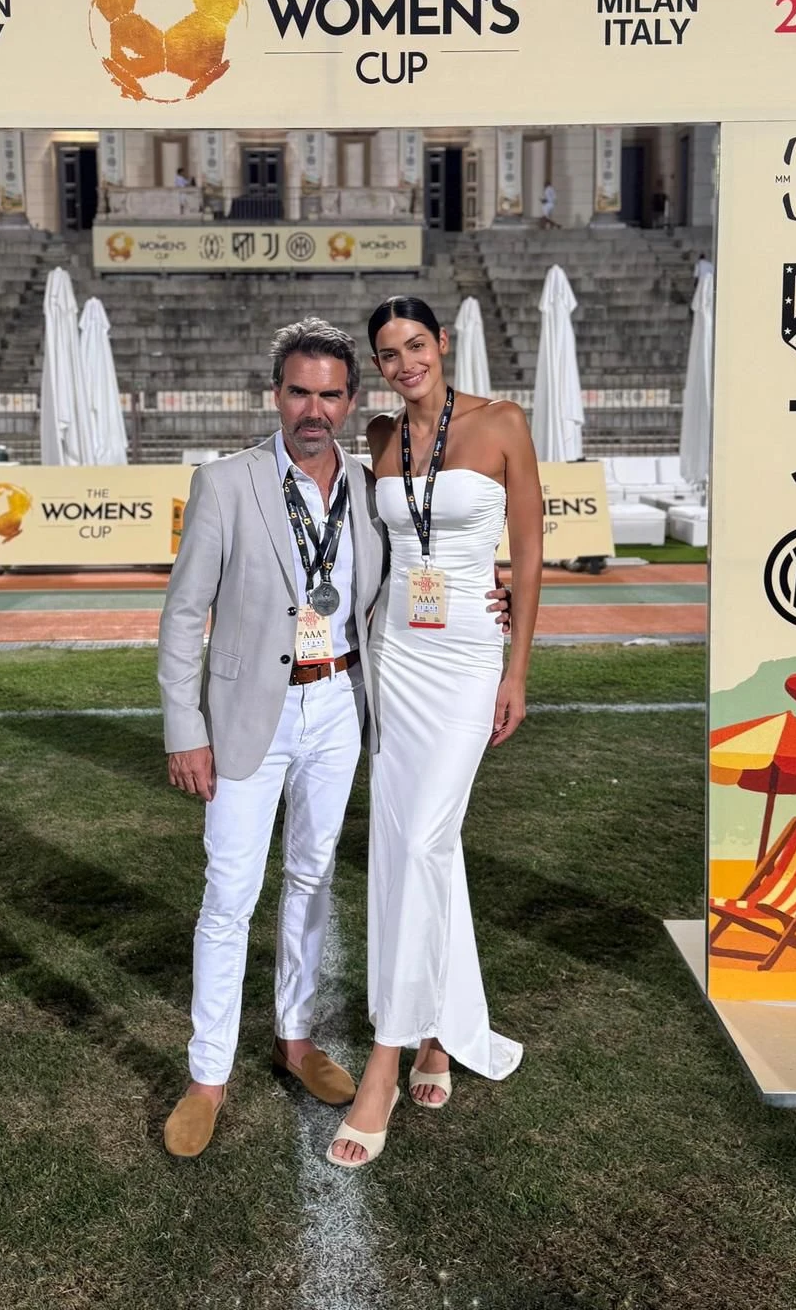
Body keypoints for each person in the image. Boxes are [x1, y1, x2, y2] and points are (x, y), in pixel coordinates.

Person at [157, 317, 512, 1159]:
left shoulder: (367, 483)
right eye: (298, 393)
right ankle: (207, 1078)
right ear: (275, 395)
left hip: (342, 705)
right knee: (229, 896)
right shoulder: (225, 483)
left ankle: (296, 1037)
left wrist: (489, 589)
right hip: (248, 716)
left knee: (313, 880)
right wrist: (184, 730)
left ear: (352, 401)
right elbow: (182, 614)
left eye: (329, 395)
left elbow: (421, 562)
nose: (313, 410)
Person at [326, 294, 543, 1168]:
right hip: (396, 656)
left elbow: (529, 549)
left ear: (442, 343)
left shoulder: (502, 423)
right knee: (416, 847)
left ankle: (384, 1057)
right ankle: (436, 1037)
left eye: (416, 344)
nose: (405, 363)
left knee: (421, 839)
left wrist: (517, 668)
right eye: (389, 353)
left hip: (467, 658)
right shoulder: (380, 437)